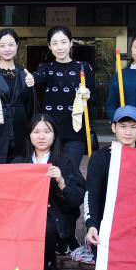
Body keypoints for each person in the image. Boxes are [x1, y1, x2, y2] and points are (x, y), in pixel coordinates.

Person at [13, 114, 85, 270]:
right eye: (36, 131)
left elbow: (76, 199)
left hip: (54, 215)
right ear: (29, 135)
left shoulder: (65, 162)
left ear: (54, 135)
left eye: (47, 131)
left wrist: (61, 182)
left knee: (45, 226)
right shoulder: (19, 162)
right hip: (25, 213)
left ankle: (48, 262)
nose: (41, 136)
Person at [32, 26, 96, 170]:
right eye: (54, 43)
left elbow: (93, 99)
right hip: (50, 132)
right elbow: (35, 78)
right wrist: (29, 78)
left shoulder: (84, 68)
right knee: (50, 173)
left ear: (71, 43)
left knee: (69, 171)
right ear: (49, 46)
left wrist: (88, 96)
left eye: (63, 42)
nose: (60, 47)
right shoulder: (45, 68)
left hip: (76, 132)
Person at [84, 106, 136, 251]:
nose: (128, 132)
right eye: (123, 126)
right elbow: (91, 194)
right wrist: (92, 225)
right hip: (107, 225)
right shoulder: (99, 158)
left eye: (133, 127)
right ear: (113, 127)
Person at [0, 29, 35, 163]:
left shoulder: (23, 72)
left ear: (17, 45)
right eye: (2, 45)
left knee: (19, 165)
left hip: (20, 126)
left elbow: (31, 105)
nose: (7, 49)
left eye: (11, 44)